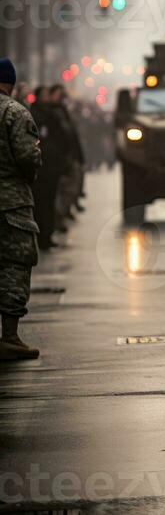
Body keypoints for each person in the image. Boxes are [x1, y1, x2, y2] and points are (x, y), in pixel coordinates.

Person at [0, 57, 41, 360]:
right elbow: (29, 158)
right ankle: (10, 337)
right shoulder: (15, 113)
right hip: (11, 203)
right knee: (14, 263)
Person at [48, 85, 85, 230]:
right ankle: (58, 218)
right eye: (58, 94)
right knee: (63, 189)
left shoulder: (63, 111)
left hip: (69, 155)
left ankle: (61, 215)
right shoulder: (50, 113)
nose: (61, 97)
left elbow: (71, 135)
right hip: (60, 157)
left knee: (72, 188)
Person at [30, 86, 61, 250]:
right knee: (41, 202)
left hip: (52, 163)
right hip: (43, 165)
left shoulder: (53, 112)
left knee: (49, 201)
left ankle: (47, 234)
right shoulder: (35, 113)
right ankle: (42, 236)